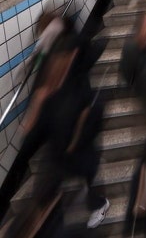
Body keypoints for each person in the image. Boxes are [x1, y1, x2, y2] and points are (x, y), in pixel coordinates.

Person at [0, 14, 110, 229]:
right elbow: (39, 122)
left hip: (79, 137)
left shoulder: (77, 77)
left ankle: (97, 203)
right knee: (49, 185)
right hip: (58, 144)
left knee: (87, 171)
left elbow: (89, 48)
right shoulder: (48, 89)